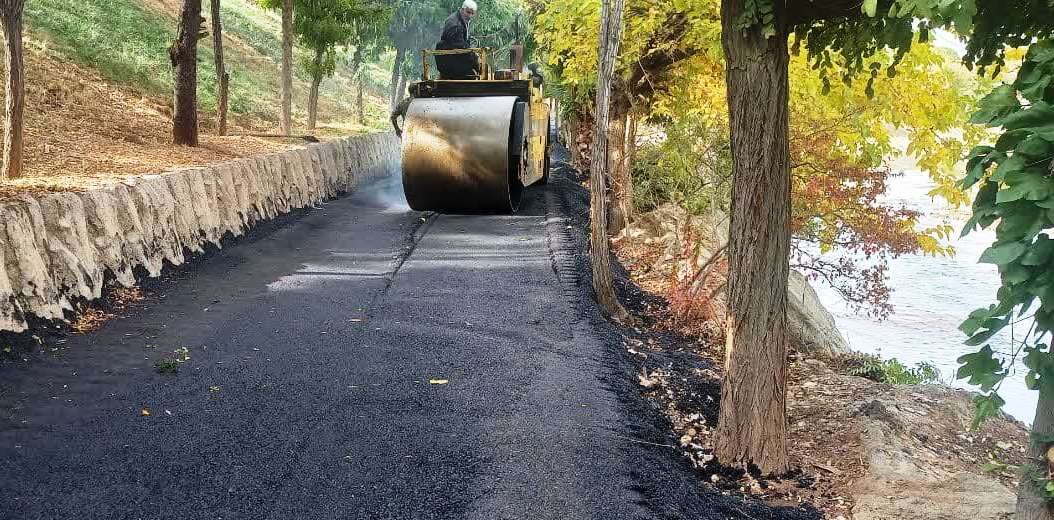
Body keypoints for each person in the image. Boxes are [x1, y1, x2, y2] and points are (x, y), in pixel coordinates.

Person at [435, 0, 480, 80]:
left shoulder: (462, 20)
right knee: (472, 76)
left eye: (472, 13)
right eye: (468, 12)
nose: (470, 15)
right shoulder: (455, 24)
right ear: (462, 9)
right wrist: (475, 60)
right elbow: (460, 47)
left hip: (455, 57)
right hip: (450, 61)